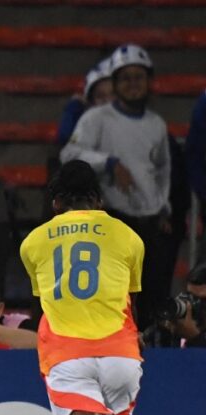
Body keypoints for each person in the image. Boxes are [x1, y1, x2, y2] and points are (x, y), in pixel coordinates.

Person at [19, 160, 143, 415]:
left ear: (56, 201)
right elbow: (130, 300)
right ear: (99, 199)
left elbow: (51, 300)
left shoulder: (34, 243)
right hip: (123, 356)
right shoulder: (127, 235)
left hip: (69, 357)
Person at [61, 44, 170, 328]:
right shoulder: (96, 119)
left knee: (152, 294)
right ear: (116, 83)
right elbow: (69, 154)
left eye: (139, 77)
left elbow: (162, 170)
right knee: (115, 295)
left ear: (148, 81)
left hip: (149, 223)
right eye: (125, 78)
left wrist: (164, 208)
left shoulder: (156, 124)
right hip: (111, 218)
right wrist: (108, 162)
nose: (133, 84)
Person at [56, 56, 115, 147]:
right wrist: (74, 108)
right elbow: (65, 138)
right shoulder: (90, 126)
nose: (108, 101)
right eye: (100, 96)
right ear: (91, 102)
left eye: (114, 94)